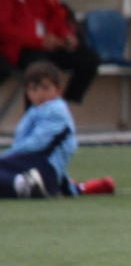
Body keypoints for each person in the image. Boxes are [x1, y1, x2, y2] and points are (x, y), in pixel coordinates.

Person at [0, 0, 101, 104]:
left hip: (48, 44)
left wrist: (66, 36)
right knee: (39, 68)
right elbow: (3, 28)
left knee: (89, 59)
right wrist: (39, 41)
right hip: (19, 47)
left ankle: (65, 106)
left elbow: (56, 15)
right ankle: (36, 119)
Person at [0, 60, 76, 198]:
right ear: (27, 92)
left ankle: (24, 184)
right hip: (32, 167)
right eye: (34, 89)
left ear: (58, 90)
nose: (40, 94)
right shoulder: (36, 110)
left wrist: (7, 156)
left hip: (43, 169)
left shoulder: (56, 110)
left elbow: (38, 143)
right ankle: (23, 184)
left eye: (46, 88)